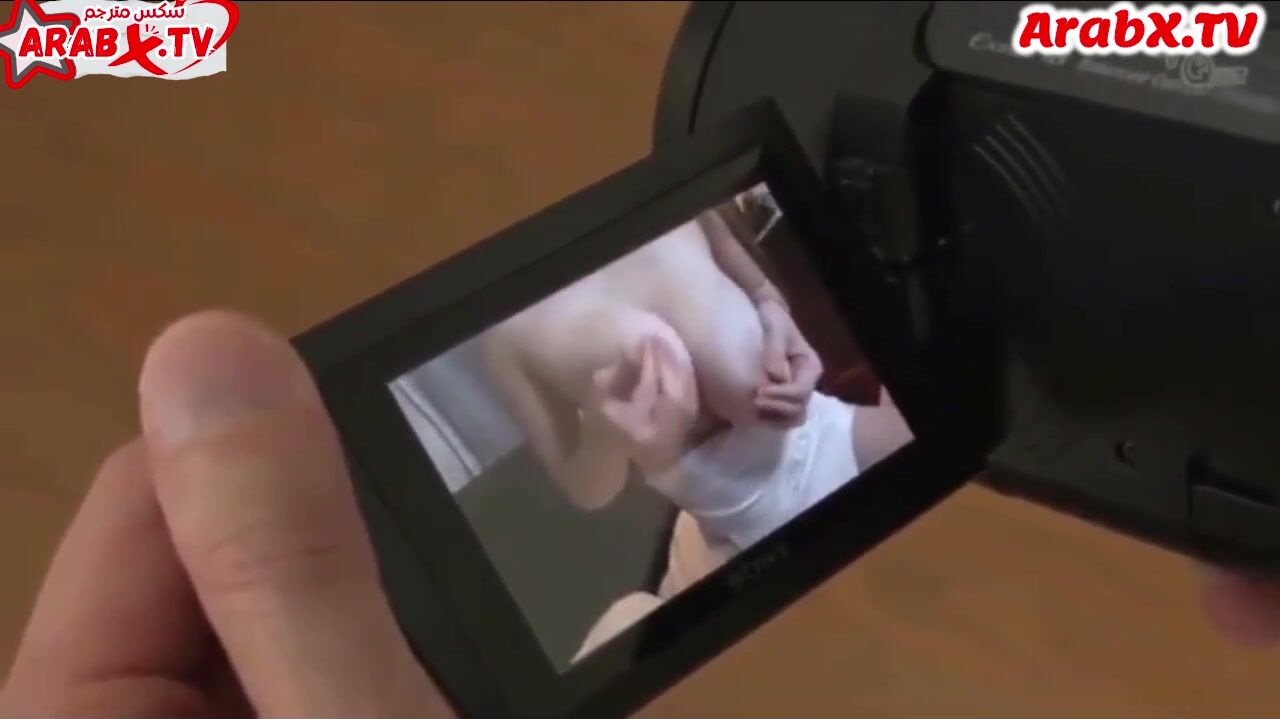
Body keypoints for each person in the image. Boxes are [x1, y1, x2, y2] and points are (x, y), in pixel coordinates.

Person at [2, 314, 1279, 718]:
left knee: (946, 407)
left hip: (809, 454)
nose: (645, 373)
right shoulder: (643, 458)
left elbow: (783, 345)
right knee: (638, 605)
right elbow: (622, 470)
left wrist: (779, 352)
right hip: (754, 495)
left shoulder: (760, 372)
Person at [482, 206, 913, 567]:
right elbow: (584, 490)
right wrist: (603, 437)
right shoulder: (506, 328)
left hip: (825, 435)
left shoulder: (664, 189)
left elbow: (764, 293)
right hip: (755, 534)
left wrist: (783, 328)